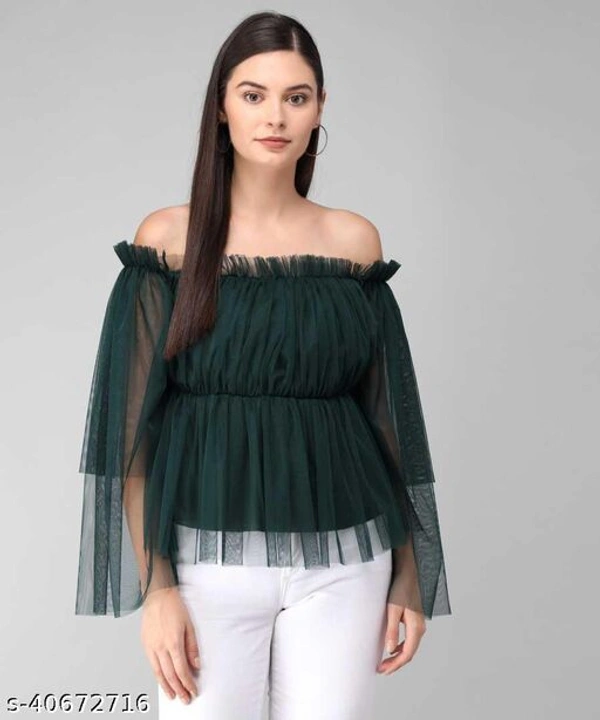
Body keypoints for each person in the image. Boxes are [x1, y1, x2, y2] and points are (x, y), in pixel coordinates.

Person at [74, 10, 451, 720]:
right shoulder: (169, 240)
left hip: (346, 563)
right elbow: (129, 439)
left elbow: (387, 420)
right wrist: (157, 588)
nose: (275, 116)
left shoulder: (353, 243)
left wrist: (410, 573)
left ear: (319, 109)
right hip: (204, 561)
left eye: (295, 97)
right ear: (221, 106)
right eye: (254, 94)